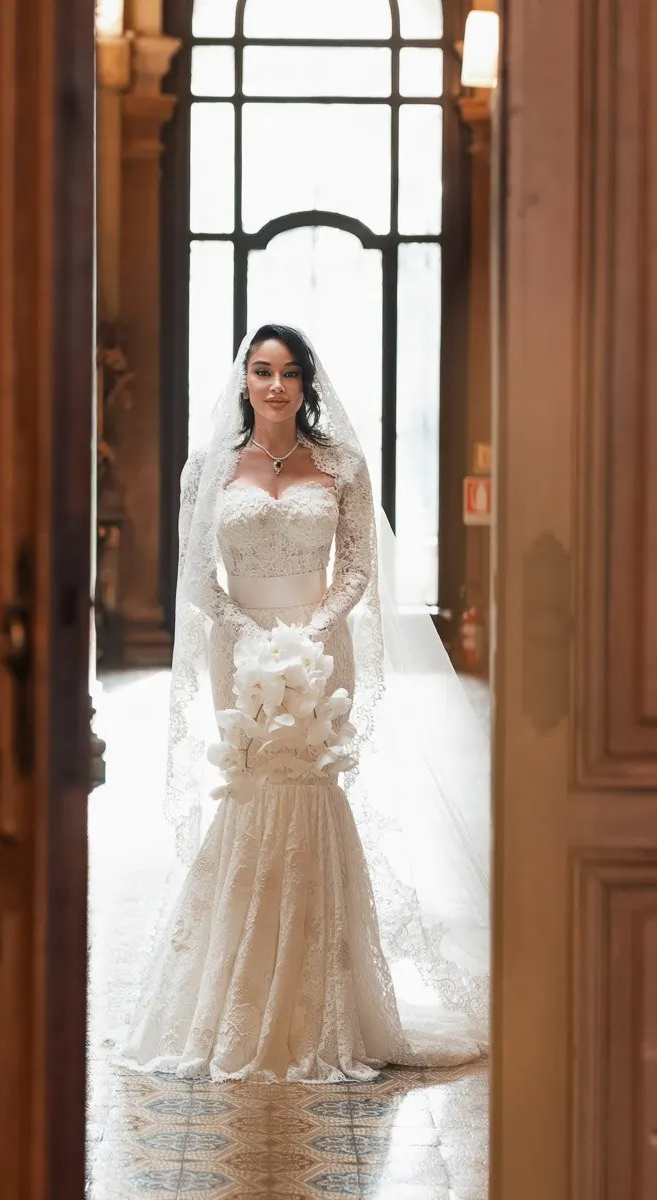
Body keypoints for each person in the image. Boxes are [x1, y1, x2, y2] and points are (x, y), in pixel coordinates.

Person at [121, 325, 490, 1082]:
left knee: (313, 786)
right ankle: (237, 990)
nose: (276, 386)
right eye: (262, 372)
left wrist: (311, 632)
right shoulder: (209, 470)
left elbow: (357, 569)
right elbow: (195, 582)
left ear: (307, 385)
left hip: (320, 647)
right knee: (251, 787)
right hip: (239, 648)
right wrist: (247, 636)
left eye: (289, 374)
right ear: (246, 381)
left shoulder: (342, 465)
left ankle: (322, 993)